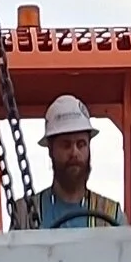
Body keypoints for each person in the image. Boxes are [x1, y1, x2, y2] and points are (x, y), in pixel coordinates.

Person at [27, 95, 121, 230]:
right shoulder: (25, 214)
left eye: (81, 144)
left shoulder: (112, 214)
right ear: (50, 150)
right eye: (66, 145)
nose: (74, 153)